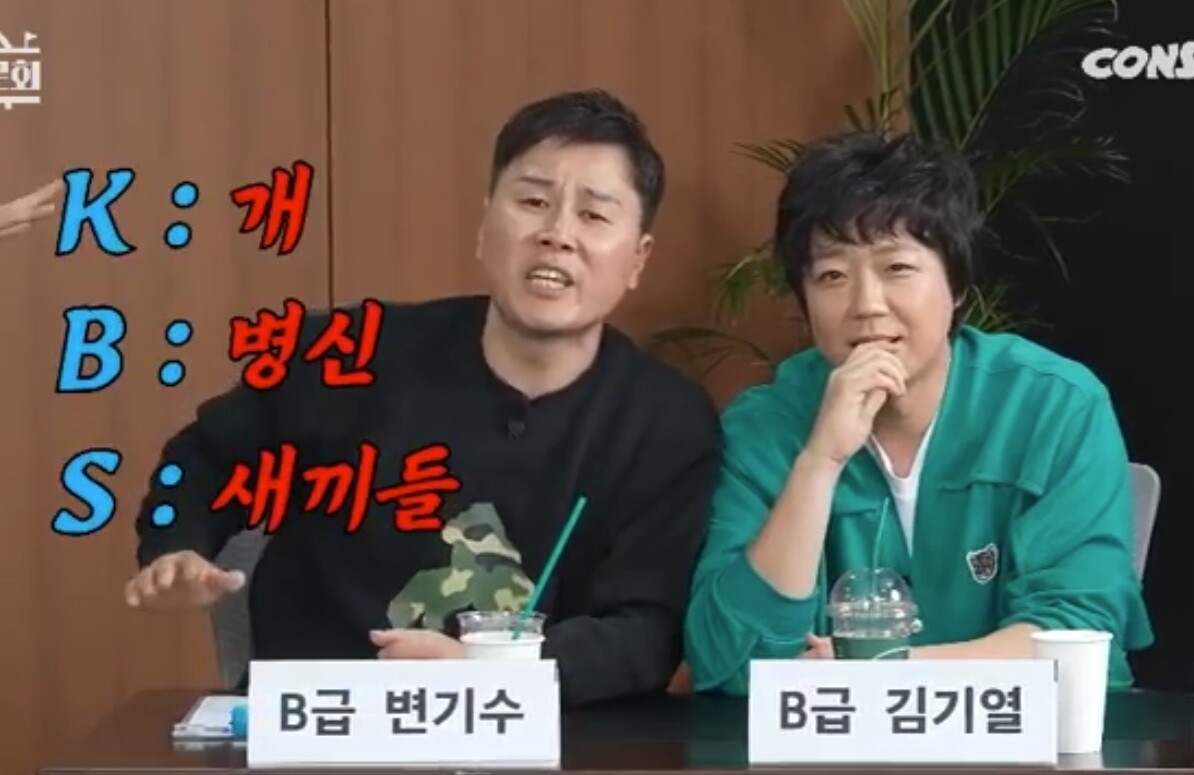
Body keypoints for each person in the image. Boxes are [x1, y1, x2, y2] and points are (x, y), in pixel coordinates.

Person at [126, 89, 722, 707]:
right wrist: (175, 545)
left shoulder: (666, 421)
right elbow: (199, 457)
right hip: (325, 720)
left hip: (541, 729)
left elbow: (648, 631)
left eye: (594, 216)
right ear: (484, 226)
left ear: (638, 259)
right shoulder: (347, 354)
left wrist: (494, 669)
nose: (557, 234)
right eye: (533, 202)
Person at [683, 131, 1153, 695]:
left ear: (957, 285)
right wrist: (820, 461)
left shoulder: (1054, 405)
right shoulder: (764, 424)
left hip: (1018, 738)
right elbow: (729, 663)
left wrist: (885, 673)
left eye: (898, 268)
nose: (866, 304)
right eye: (832, 275)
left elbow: (1076, 639)